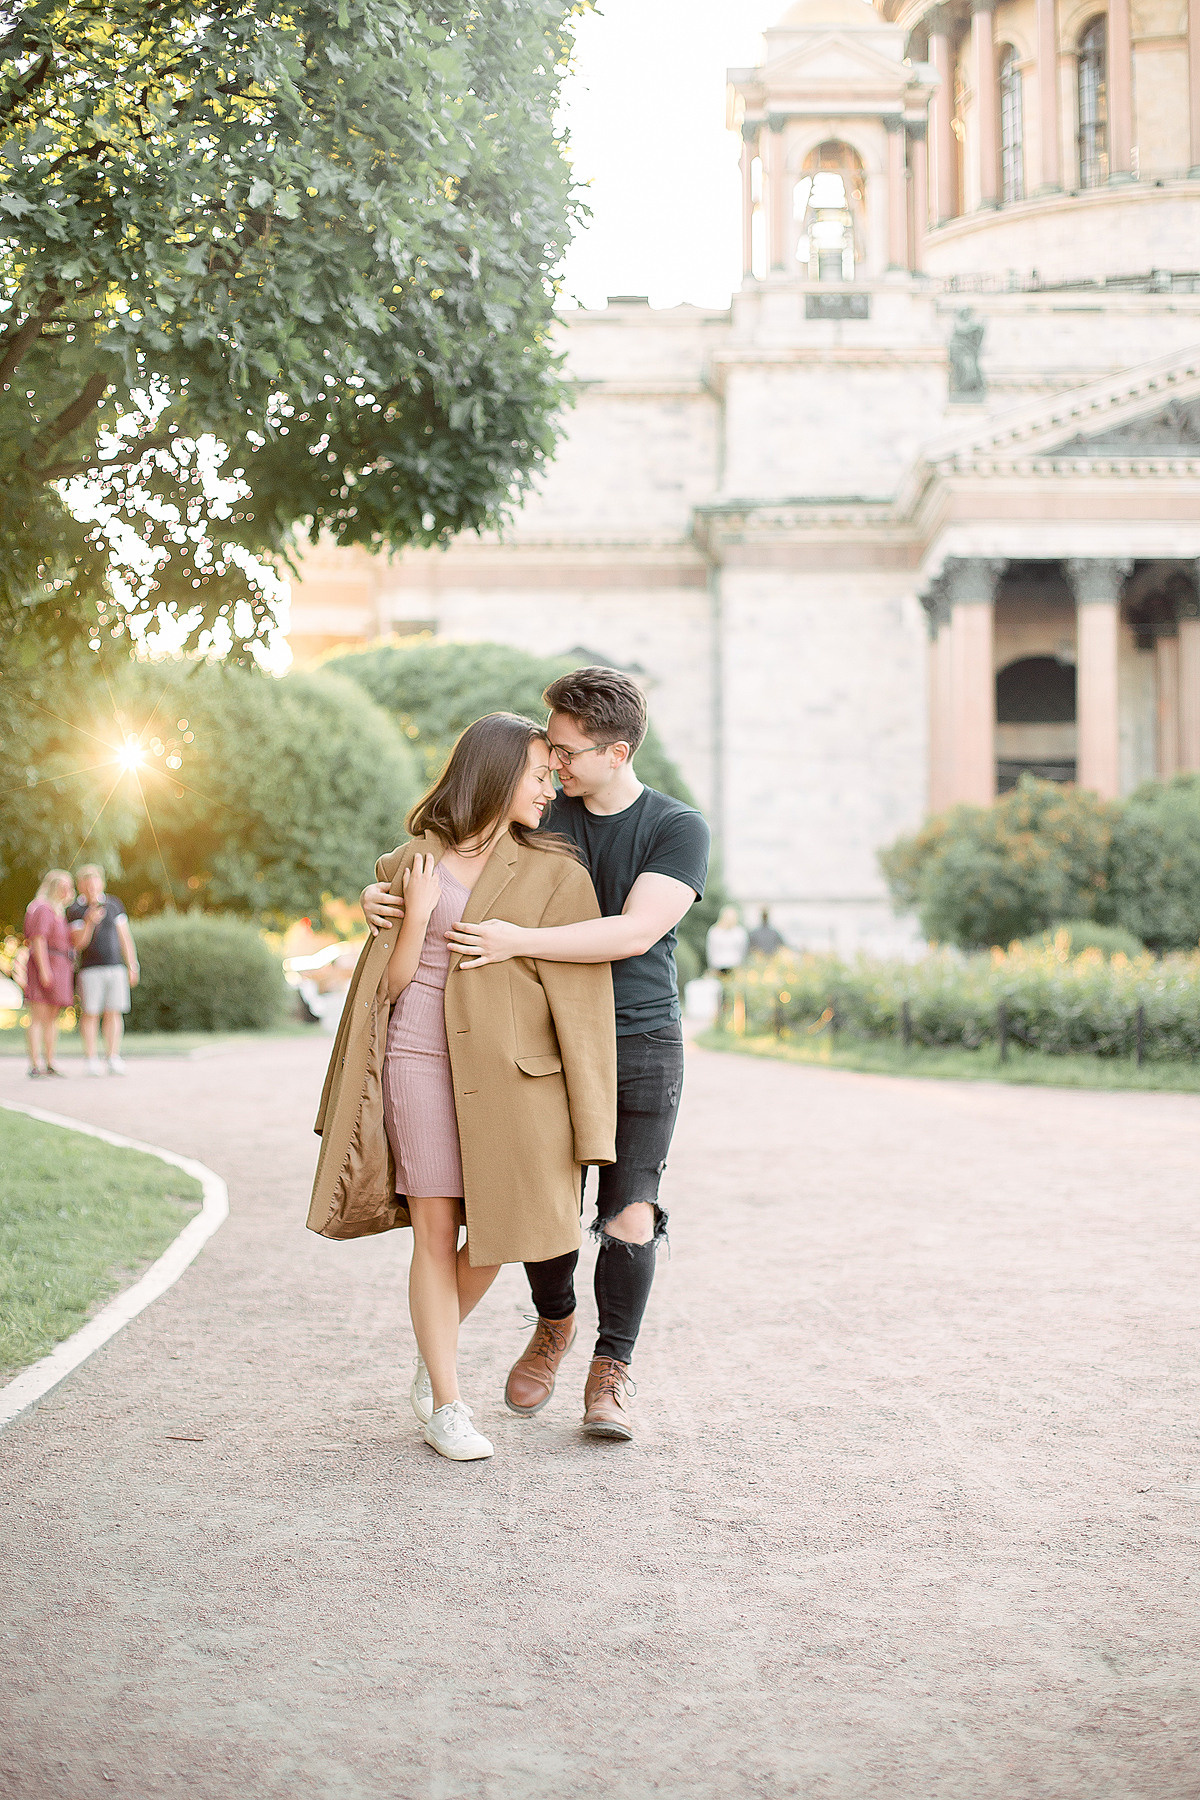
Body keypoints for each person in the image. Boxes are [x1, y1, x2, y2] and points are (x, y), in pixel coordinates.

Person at [362, 667, 710, 1444]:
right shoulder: (544, 815)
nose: (552, 766)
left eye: (565, 751)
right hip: (537, 1042)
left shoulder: (676, 827)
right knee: (538, 1206)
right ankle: (553, 1324)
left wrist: (517, 940)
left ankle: (609, 1373)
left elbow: (632, 933)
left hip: (640, 1037)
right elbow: (457, 857)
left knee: (629, 1211)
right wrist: (381, 894)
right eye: (546, 752)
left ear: (616, 753)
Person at [309, 714, 616, 1464]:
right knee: (436, 1229)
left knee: (506, 1231)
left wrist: (590, 1114)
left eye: (552, 775)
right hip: (418, 1056)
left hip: (512, 1075)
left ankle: (431, 1354)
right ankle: (447, 1403)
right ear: (497, 771)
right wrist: (410, 914)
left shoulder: (555, 871)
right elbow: (389, 983)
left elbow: (582, 1001)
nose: (550, 789)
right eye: (539, 775)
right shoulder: (413, 860)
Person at [67, 865, 139, 1076]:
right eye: (87, 882)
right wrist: (89, 921)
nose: (91, 886)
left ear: (102, 883)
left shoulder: (114, 904)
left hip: (115, 967)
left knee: (114, 1013)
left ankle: (113, 1057)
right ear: (80, 886)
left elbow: (125, 937)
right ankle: (91, 1059)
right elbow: (78, 944)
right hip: (89, 969)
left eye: (95, 881)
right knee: (90, 1013)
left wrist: (132, 965)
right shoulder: (75, 910)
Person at [22, 870, 77, 1078]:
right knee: (38, 1016)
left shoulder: (59, 911)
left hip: (61, 965)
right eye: (63, 886)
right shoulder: (43, 908)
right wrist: (45, 971)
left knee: (52, 1018)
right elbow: (38, 940)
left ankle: (50, 1061)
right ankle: (35, 1064)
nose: (67, 891)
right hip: (46, 965)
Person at [705, 904, 748, 975]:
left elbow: (743, 950)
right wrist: (712, 968)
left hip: (735, 966)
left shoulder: (740, 932)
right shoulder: (715, 931)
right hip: (718, 966)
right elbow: (711, 950)